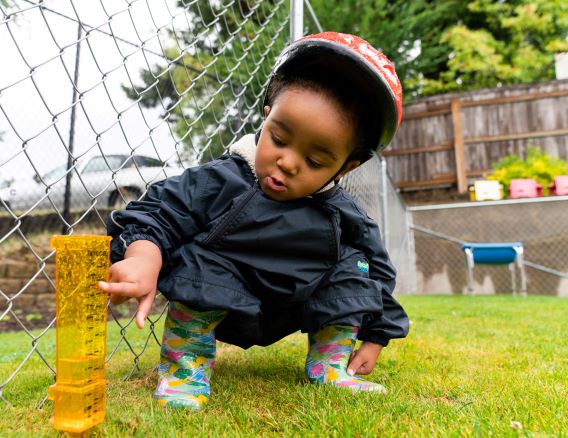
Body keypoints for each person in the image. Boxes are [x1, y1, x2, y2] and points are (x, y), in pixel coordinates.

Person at [99, 32, 409, 410]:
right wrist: (144, 255)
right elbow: (159, 210)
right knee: (201, 258)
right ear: (266, 119)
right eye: (279, 139)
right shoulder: (223, 180)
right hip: (224, 297)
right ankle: (185, 373)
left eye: (315, 161)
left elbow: (377, 272)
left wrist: (376, 335)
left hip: (295, 304)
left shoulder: (343, 213)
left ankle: (329, 365)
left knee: (354, 263)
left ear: (347, 166)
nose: (289, 162)